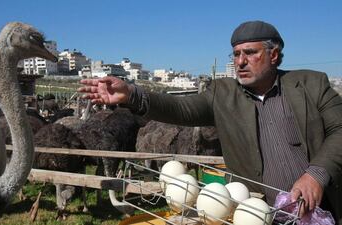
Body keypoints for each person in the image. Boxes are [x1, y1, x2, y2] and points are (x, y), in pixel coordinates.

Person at [78, 20, 342, 223]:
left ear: (273, 55)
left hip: (321, 212)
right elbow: (181, 108)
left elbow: (339, 129)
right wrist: (132, 94)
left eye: (250, 53)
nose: (240, 62)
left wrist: (315, 175)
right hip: (255, 215)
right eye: (236, 54)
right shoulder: (222, 94)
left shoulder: (311, 84)